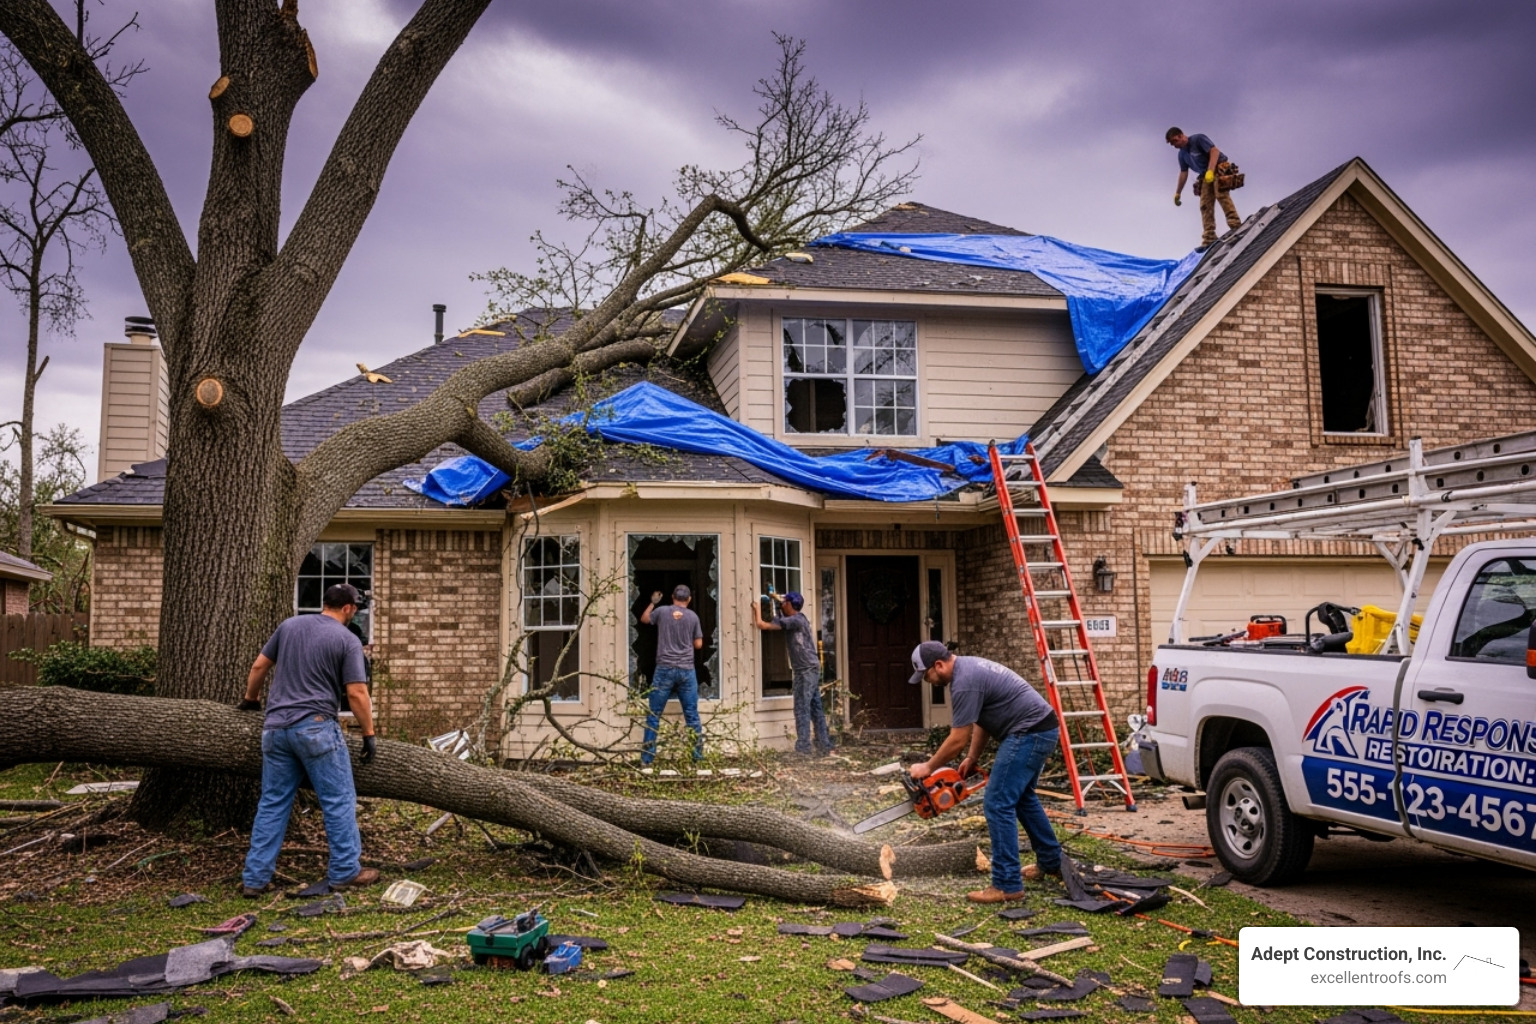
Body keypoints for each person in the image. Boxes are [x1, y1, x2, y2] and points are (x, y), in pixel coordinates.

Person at [238, 582, 380, 897]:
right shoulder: (347, 640)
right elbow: (356, 692)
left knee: (273, 804)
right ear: (348, 608)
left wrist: (251, 699)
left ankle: (255, 879)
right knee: (338, 800)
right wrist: (369, 734)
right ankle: (345, 871)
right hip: (316, 729)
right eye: (355, 608)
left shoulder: (289, 626)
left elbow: (259, 665)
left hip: (275, 730)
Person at [907, 641, 1061, 903]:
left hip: (1029, 733)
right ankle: (1051, 862)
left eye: (926, 675)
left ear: (939, 665)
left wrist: (928, 767)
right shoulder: (968, 669)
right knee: (1023, 799)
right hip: (1040, 729)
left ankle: (1007, 884)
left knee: (998, 802)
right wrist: (972, 757)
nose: (927, 681)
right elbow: (983, 720)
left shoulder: (964, 682)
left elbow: (957, 739)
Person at [751, 591, 834, 757]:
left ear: (790, 604)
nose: (782, 604)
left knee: (802, 707)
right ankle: (823, 744)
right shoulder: (793, 619)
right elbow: (777, 619)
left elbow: (763, 624)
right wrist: (778, 601)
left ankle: (803, 748)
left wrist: (756, 609)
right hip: (804, 668)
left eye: (784, 602)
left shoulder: (797, 620)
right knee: (814, 706)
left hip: (806, 669)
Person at [639, 583, 705, 764]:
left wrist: (653, 603)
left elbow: (645, 619)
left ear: (672, 597)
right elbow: (698, 644)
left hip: (664, 669)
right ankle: (697, 757)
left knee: (654, 714)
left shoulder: (662, 612)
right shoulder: (693, 617)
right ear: (689, 599)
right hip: (686, 670)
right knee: (691, 714)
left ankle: (647, 759)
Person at [1167, 127, 1241, 249]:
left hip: (1218, 167)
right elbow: (1183, 172)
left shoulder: (1198, 139)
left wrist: (1211, 170)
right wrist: (1178, 193)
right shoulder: (1182, 154)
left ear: (1181, 136)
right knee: (1205, 204)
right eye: (1171, 143)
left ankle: (1235, 225)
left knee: (1221, 195)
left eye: (1175, 141)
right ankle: (1209, 237)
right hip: (1204, 175)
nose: (1174, 145)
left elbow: (1214, 151)